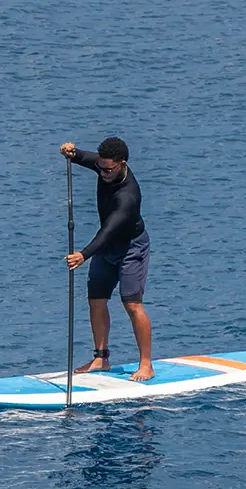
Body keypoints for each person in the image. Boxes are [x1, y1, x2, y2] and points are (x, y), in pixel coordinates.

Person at [60, 137, 155, 380]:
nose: (102, 173)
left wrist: (83, 255)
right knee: (96, 300)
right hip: (106, 248)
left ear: (122, 164)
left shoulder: (128, 196)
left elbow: (108, 230)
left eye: (107, 169)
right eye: (100, 167)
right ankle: (101, 358)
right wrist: (72, 152)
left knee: (132, 304)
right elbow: (85, 158)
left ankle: (146, 364)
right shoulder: (106, 167)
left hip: (130, 248)